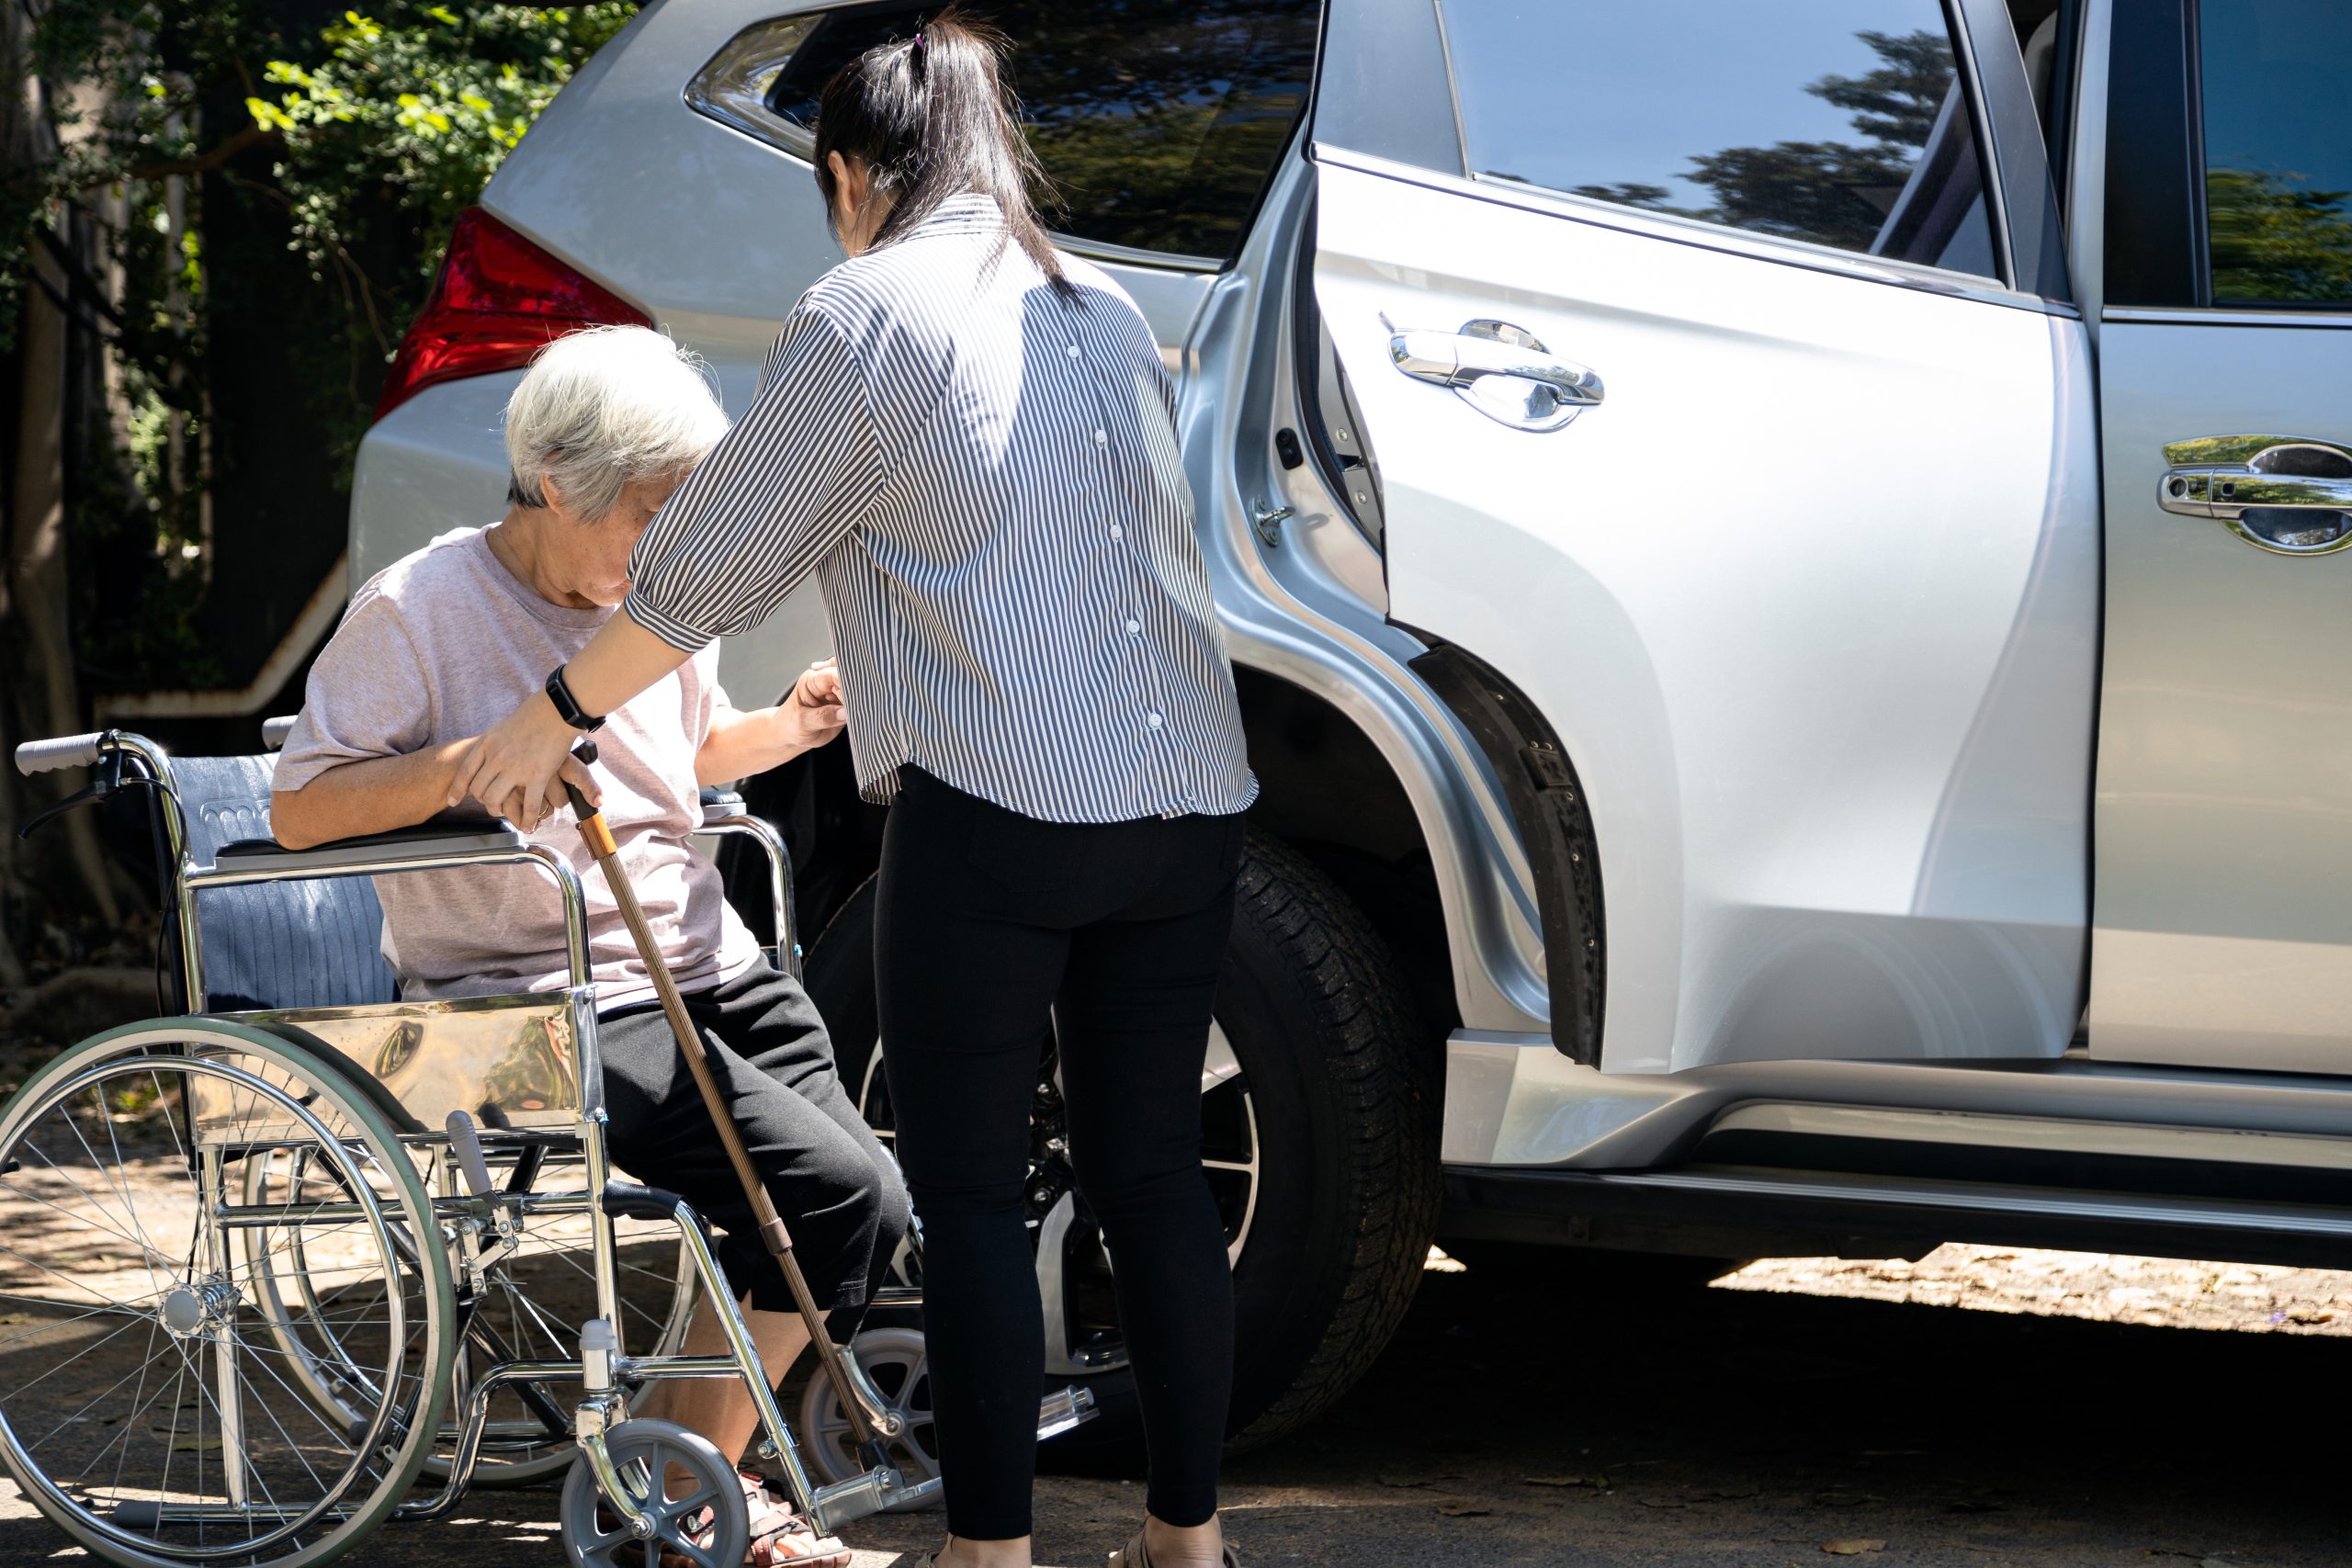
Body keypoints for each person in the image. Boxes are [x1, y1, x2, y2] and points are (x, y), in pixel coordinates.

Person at [447, 15, 1256, 1568]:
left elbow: (708, 564)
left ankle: (992, 1556)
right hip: (1186, 799)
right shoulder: (1098, 306)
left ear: (848, 174)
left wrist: (559, 708)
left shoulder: (863, 309)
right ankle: (1187, 1545)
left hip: (1003, 806)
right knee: (1150, 1177)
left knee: (962, 1197)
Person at [271, 324, 907, 1568]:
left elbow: (675, 762)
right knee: (830, 1193)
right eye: (649, 516)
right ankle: (691, 1479)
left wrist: (783, 728)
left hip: (703, 965)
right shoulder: (416, 608)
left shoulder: (655, 601)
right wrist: (471, 765)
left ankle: (684, 1457)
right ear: (558, 485)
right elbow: (301, 807)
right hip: (527, 1006)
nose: (667, 550)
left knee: (867, 1203)